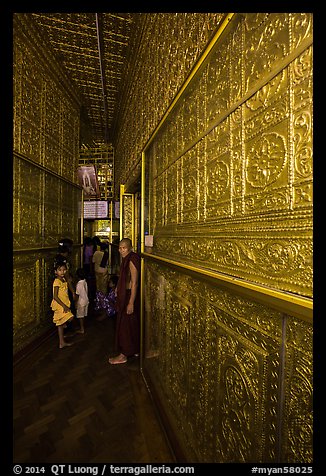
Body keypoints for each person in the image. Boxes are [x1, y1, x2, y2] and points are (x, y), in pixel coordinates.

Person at [109, 238, 140, 365]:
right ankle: (134, 349)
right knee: (131, 324)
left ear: (130, 248)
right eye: (120, 248)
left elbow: (135, 282)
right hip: (125, 294)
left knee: (124, 325)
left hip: (130, 296)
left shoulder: (132, 259)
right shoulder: (125, 259)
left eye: (124, 248)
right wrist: (117, 288)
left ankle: (124, 355)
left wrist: (131, 302)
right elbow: (123, 277)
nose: (121, 250)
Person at [51, 262, 74, 349]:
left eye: (64, 270)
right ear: (55, 272)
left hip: (64, 304)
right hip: (60, 305)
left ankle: (61, 342)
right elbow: (55, 296)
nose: (62, 272)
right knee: (70, 317)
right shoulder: (57, 281)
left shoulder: (64, 280)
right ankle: (63, 325)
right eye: (60, 270)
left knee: (60, 324)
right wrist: (64, 306)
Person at [75, 268, 89, 334]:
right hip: (86, 300)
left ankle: (82, 329)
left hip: (81, 302)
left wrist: (75, 303)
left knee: (80, 316)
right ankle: (82, 326)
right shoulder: (84, 282)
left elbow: (77, 294)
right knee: (83, 315)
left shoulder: (79, 284)